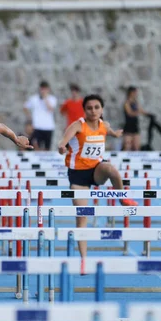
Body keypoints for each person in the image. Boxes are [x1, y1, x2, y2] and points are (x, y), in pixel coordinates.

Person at [57, 94, 138, 273]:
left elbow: (108, 131)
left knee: (111, 169)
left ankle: (123, 198)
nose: (93, 111)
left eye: (96, 107)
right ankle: (84, 260)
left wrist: (116, 133)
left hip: (96, 171)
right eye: (89, 108)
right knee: (82, 219)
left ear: (101, 109)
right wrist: (62, 147)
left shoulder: (104, 125)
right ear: (84, 110)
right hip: (78, 176)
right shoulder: (78, 125)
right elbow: (62, 142)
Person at [23, 81, 57, 151]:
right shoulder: (34, 98)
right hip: (37, 127)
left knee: (47, 148)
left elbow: (50, 108)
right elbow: (25, 107)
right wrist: (30, 117)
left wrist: (45, 98)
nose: (43, 91)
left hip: (48, 127)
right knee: (36, 146)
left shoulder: (52, 99)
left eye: (45, 89)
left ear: (48, 89)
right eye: (42, 89)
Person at [122, 86, 148, 151]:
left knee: (137, 146)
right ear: (131, 93)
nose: (136, 94)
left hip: (135, 126)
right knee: (127, 146)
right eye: (135, 92)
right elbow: (130, 113)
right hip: (128, 126)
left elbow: (141, 110)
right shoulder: (127, 103)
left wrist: (149, 114)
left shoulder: (136, 103)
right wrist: (138, 112)